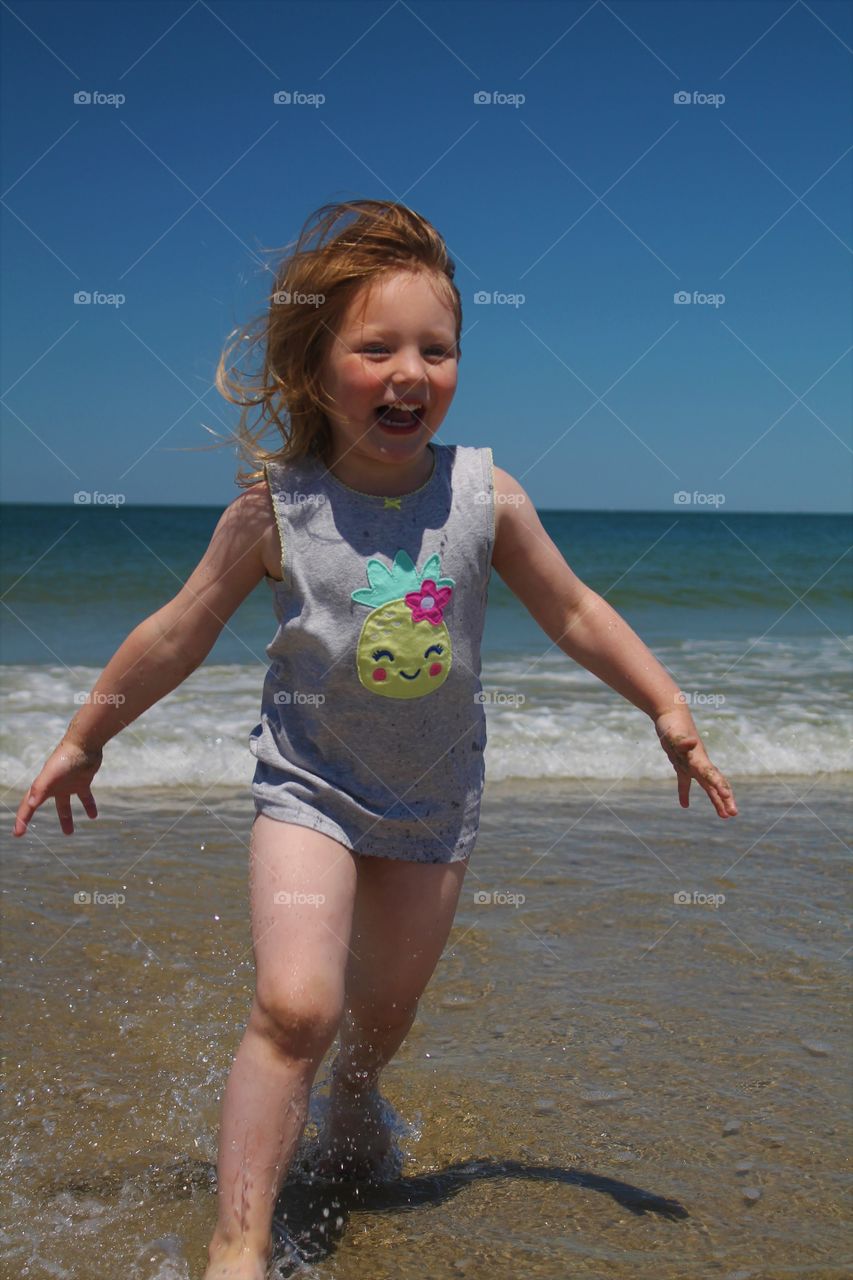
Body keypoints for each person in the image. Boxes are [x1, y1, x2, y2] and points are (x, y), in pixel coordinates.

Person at [12, 199, 738, 1280]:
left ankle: (355, 1097)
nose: (411, 370)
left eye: (434, 349)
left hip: (433, 806)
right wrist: (86, 734)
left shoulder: (483, 496)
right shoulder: (276, 510)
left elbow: (575, 610)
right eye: (377, 347)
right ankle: (239, 1241)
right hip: (307, 788)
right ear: (316, 367)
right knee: (297, 1002)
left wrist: (665, 707)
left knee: (379, 1020)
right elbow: (177, 629)